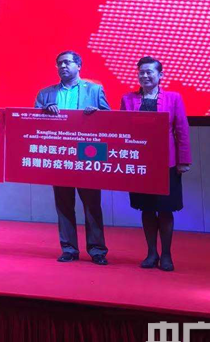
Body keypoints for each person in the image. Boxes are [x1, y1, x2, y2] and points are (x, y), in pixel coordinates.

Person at [35, 51, 110, 265]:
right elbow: (33, 123)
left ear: (79, 66)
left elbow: (110, 119)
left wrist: (97, 114)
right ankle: (68, 248)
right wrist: (44, 112)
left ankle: (97, 250)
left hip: (88, 154)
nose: (63, 66)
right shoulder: (46, 93)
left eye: (67, 62)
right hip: (59, 154)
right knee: (64, 204)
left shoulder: (94, 89)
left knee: (92, 204)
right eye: (59, 63)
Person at [121, 56, 191, 272]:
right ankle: (152, 253)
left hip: (166, 163)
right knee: (147, 209)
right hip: (140, 163)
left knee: (166, 210)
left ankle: (167, 254)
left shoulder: (174, 98)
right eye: (141, 72)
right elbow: (121, 129)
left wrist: (183, 160)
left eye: (149, 72)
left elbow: (182, 129)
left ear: (160, 75)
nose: (145, 76)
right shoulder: (128, 99)